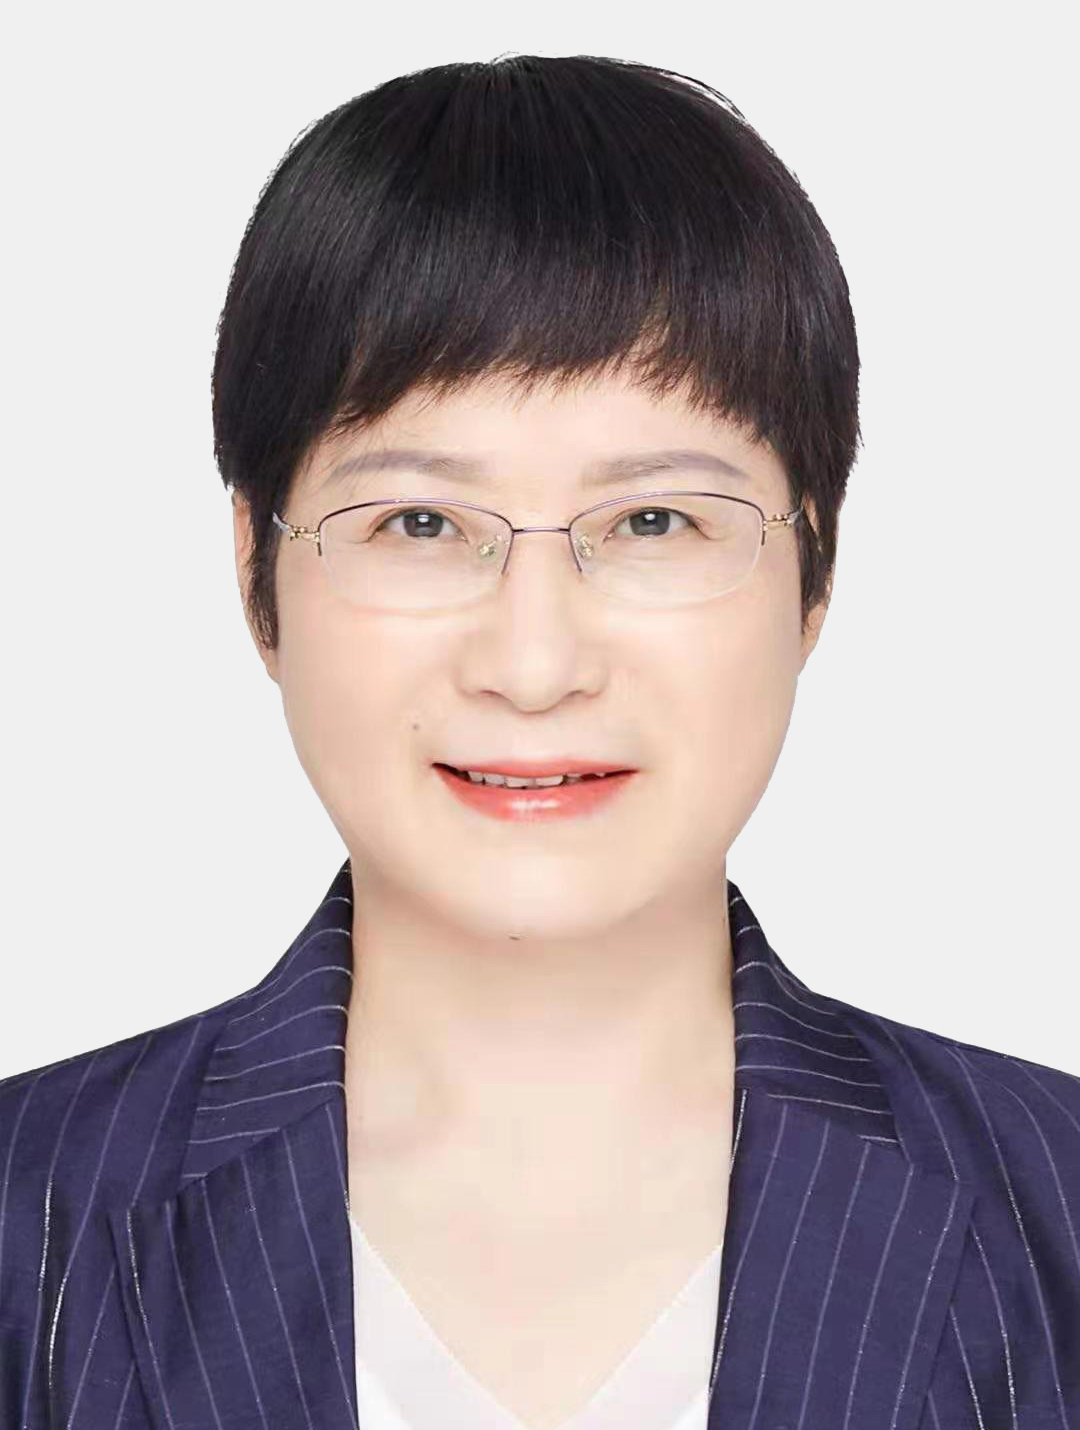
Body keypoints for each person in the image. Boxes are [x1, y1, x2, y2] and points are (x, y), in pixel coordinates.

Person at [1, 53, 1076, 1430]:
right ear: (255, 573)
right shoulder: (29, 1219)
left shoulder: (1057, 1213)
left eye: (652, 522)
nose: (533, 663)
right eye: (420, 523)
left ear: (816, 573)